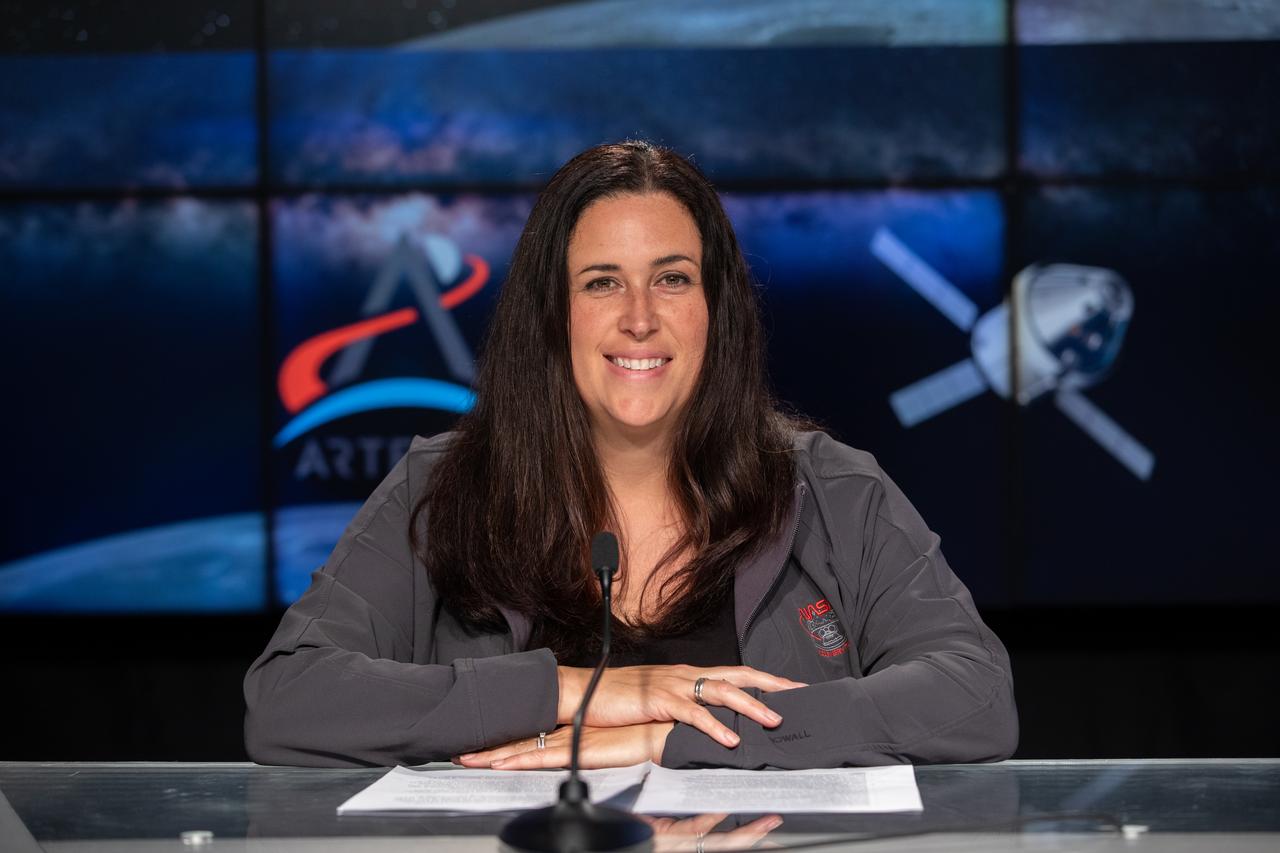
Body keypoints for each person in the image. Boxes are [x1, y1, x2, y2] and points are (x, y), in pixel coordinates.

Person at [243, 141, 1018, 769]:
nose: (640, 318)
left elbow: (976, 696)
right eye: (602, 282)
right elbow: (290, 697)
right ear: (554, 316)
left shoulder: (834, 491)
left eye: (672, 279)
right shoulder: (440, 487)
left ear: (718, 309)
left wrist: (691, 736)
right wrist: (576, 695)